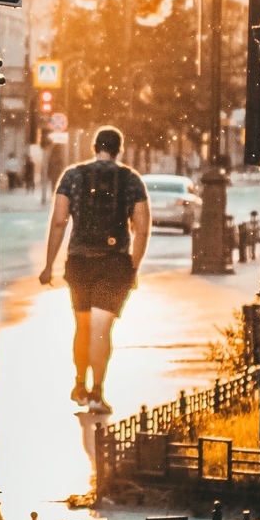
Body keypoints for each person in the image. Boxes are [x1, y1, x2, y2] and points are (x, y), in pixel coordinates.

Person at [38, 126, 149, 416]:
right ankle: (97, 393)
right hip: (114, 264)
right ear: (118, 149)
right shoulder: (131, 180)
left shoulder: (72, 176)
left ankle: (79, 385)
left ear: (94, 146)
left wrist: (49, 265)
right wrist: (132, 267)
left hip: (79, 263)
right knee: (101, 331)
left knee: (82, 327)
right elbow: (142, 228)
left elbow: (60, 221)